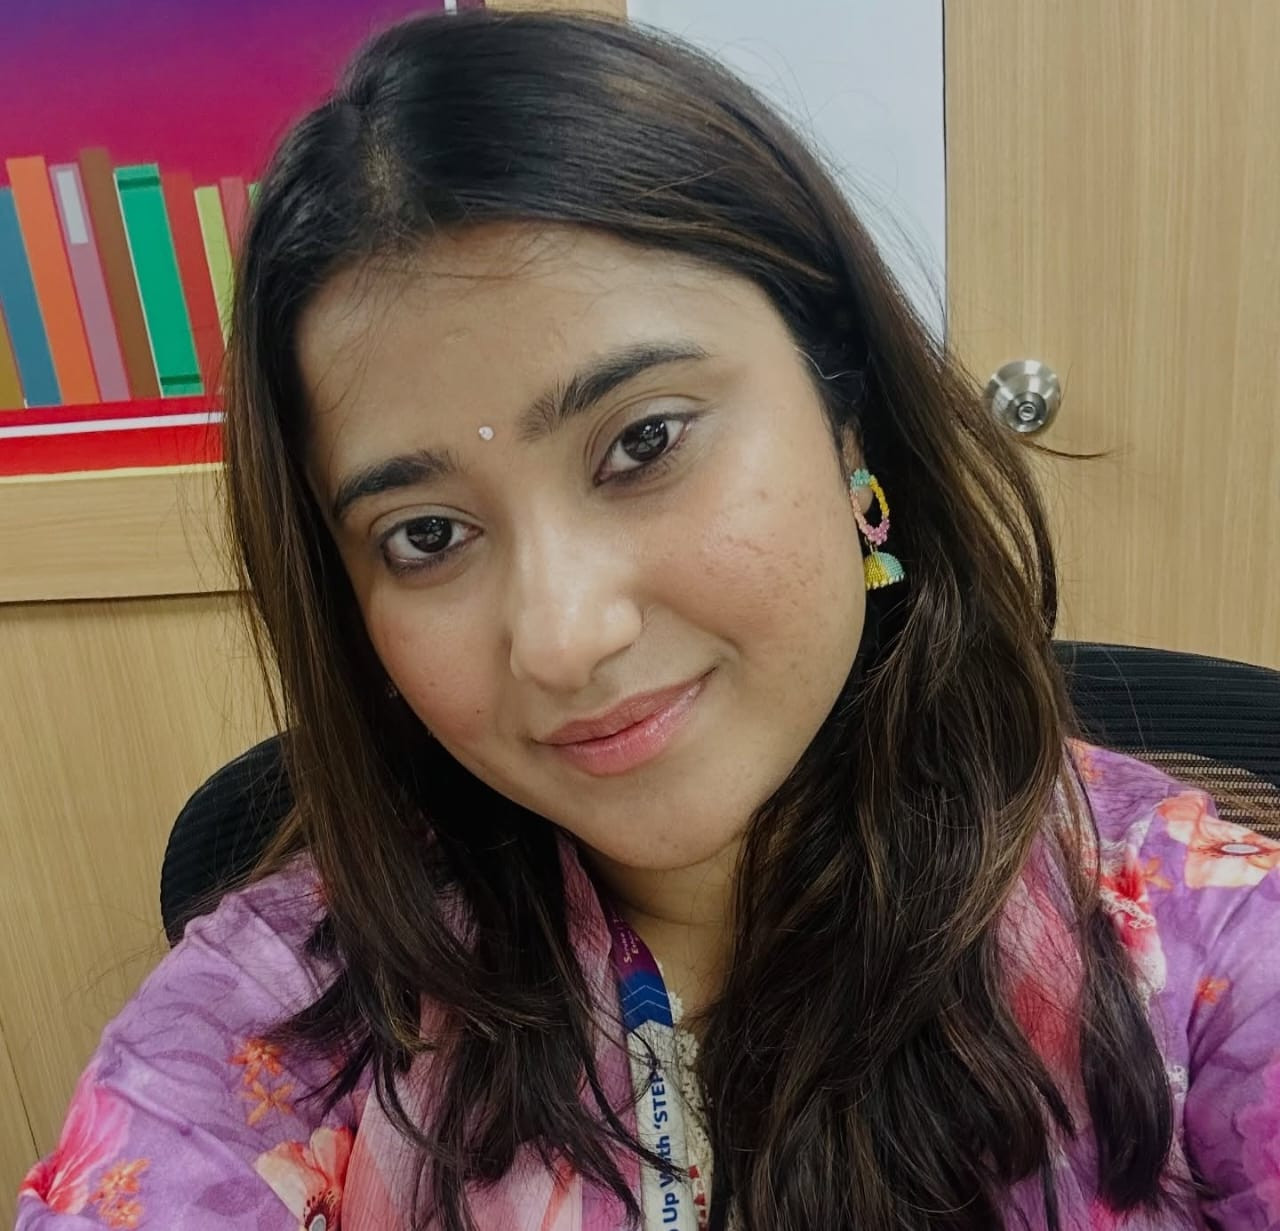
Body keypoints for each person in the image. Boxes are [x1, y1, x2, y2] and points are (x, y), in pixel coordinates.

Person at [16, 9, 1280, 1231]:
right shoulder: (291, 1014)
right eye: (426, 535)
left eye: (643, 441)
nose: (563, 635)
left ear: (845, 417)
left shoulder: (1195, 946)